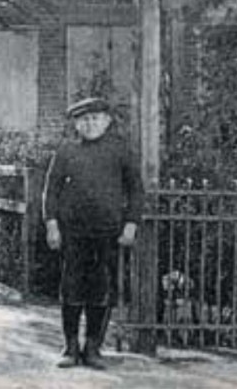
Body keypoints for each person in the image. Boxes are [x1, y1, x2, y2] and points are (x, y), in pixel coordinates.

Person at [44, 97, 143, 370]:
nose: (90, 124)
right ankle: (70, 348)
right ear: (76, 124)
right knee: (71, 288)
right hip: (72, 232)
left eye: (95, 119)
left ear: (107, 121)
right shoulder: (66, 151)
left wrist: (131, 223)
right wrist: (52, 224)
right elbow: (50, 190)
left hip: (108, 232)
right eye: (84, 120)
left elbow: (136, 189)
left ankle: (93, 348)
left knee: (101, 290)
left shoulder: (120, 151)